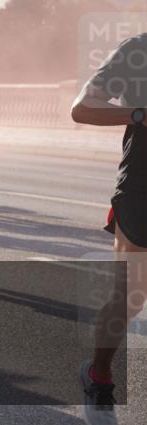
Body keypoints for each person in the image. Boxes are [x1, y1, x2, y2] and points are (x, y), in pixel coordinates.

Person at [71, 31, 147, 425]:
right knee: (131, 298)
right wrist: (135, 115)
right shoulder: (138, 52)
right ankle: (98, 374)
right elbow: (82, 107)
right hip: (142, 188)